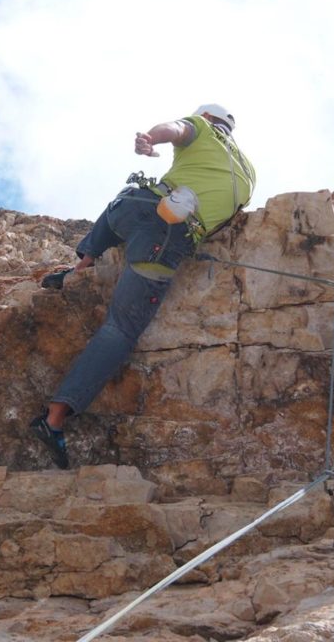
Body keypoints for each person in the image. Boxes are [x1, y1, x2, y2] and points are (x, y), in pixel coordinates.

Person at [30, 103, 256, 468]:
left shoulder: (200, 126)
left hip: (133, 207)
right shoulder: (249, 175)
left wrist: (151, 139)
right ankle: (53, 419)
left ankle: (81, 266)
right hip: (167, 236)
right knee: (120, 329)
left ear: (210, 120)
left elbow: (176, 128)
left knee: (129, 198)